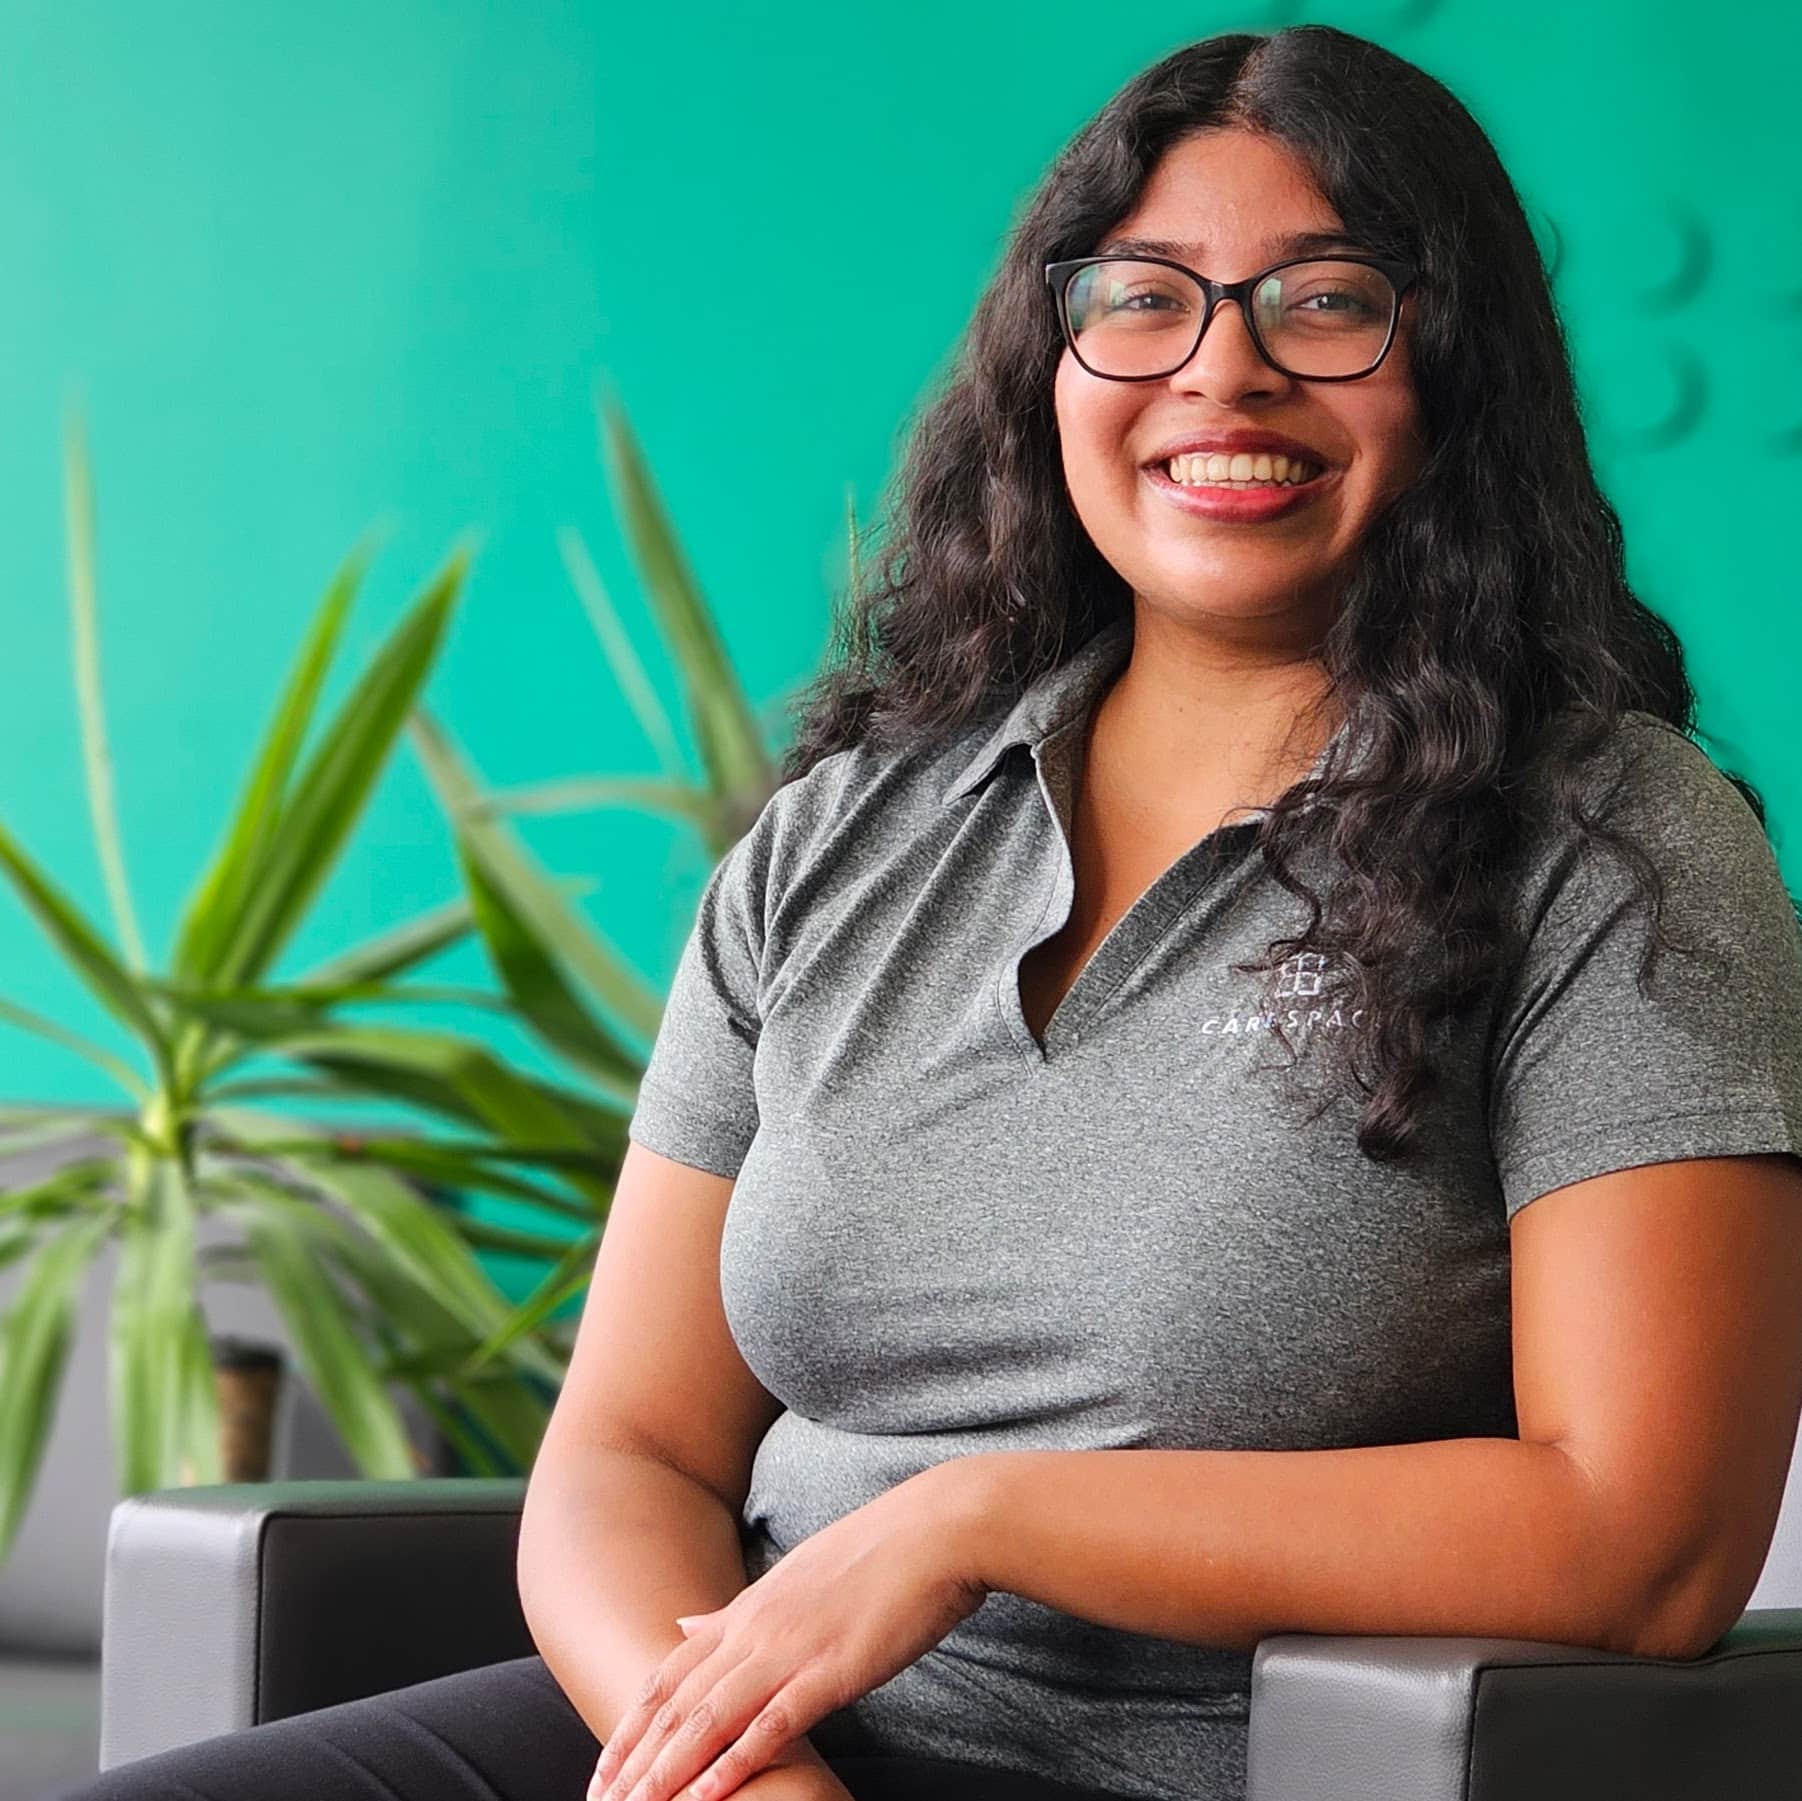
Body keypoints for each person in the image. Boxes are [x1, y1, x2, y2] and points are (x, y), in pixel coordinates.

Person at [62, 20, 1802, 1801]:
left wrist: (974, 1519)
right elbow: (630, 1452)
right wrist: (745, 1777)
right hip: (742, 1752)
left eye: (1325, 299)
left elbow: (1638, 1535)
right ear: (1050, 361)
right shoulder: (844, 833)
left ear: (1453, 370)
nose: (1224, 372)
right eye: (1143, 298)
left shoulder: (1603, 844)